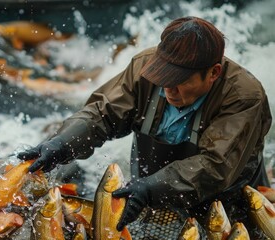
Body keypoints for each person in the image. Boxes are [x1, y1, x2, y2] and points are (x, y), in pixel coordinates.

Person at [18, 16, 272, 235]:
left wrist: (150, 188)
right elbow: (101, 113)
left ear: (214, 73)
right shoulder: (144, 66)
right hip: (149, 194)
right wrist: (61, 144)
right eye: (162, 77)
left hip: (226, 206)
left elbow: (215, 167)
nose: (167, 88)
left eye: (179, 80)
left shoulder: (244, 97)